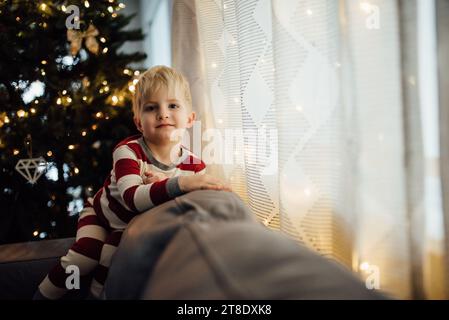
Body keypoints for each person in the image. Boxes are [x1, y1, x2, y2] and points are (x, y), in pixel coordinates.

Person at [34, 65, 230, 299]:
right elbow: (132, 198)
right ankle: (43, 295)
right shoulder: (128, 152)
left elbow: (186, 205)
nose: (163, 113)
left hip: (128, 228)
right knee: (85, 256)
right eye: (151, 107)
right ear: (138, 122)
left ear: (189, 119)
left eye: (173, 105)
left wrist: (176, 184)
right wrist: (182, 184)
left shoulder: (195, 166)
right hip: (101, 215)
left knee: (111, 262)